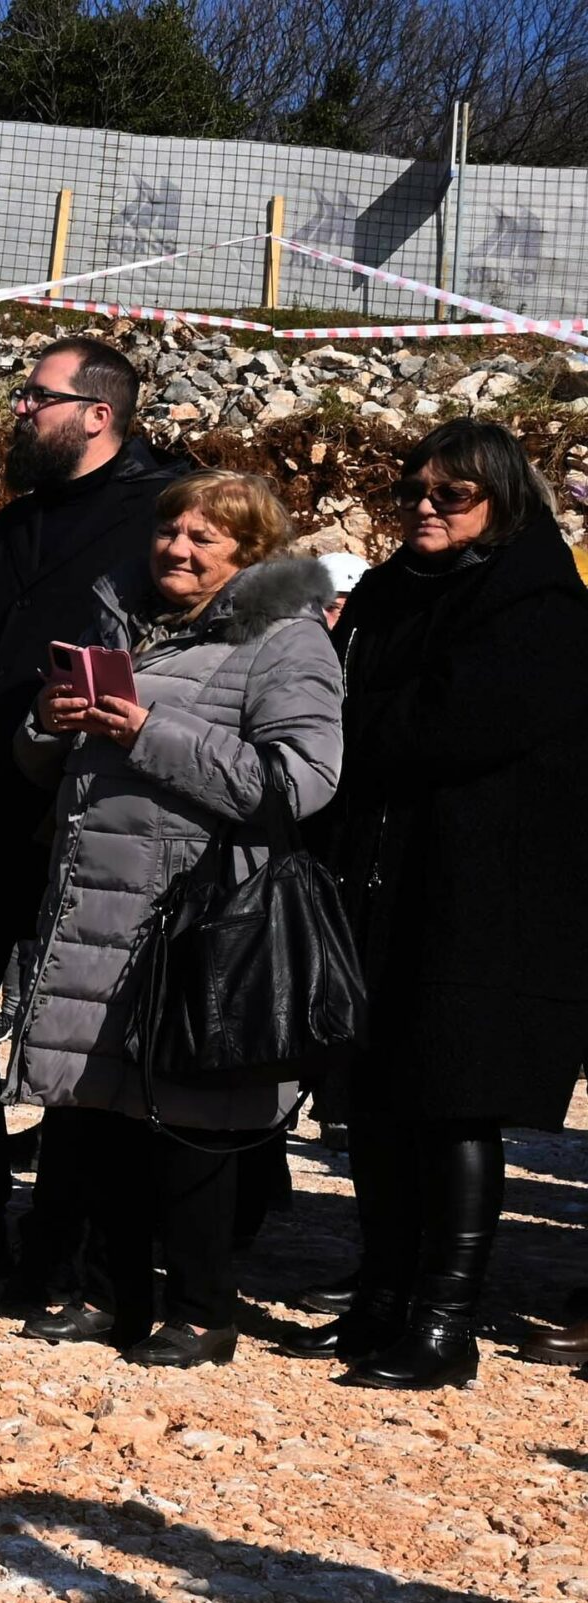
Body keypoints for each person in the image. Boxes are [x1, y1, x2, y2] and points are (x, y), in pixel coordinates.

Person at [9, 471, 343, 1367]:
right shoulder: (123, 619)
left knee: (192, 1116)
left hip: (195, 906)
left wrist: (147, 730)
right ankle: (97, 1291)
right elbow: (49, 763)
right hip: (96, 896)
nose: (178, 549)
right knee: (96, 1102)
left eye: (206, 538)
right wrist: (49, 721)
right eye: (172, 530)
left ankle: (202, 1308)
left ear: (252, 555)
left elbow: (301, 783)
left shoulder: (286, 643)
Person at [0, 336, 191, 1283]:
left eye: (37, 397)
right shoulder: (17, 524)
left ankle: (77, 1234)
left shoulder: (163, 511)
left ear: (98, 415)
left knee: (82, 1020)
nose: (21, 410)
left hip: (90, 806)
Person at [293, 420, 588, 1390]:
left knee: (453, 1101)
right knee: (374, 1100)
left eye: (449, 494)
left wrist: (358, 727)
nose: (422, 504)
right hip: (381, 873)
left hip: (479, 891)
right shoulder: (387, 589)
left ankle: (442, 1321)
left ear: (498, 502)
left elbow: (454, 725)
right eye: (412, 488)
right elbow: (337, 708)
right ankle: (379, 1296)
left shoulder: (534, 601)